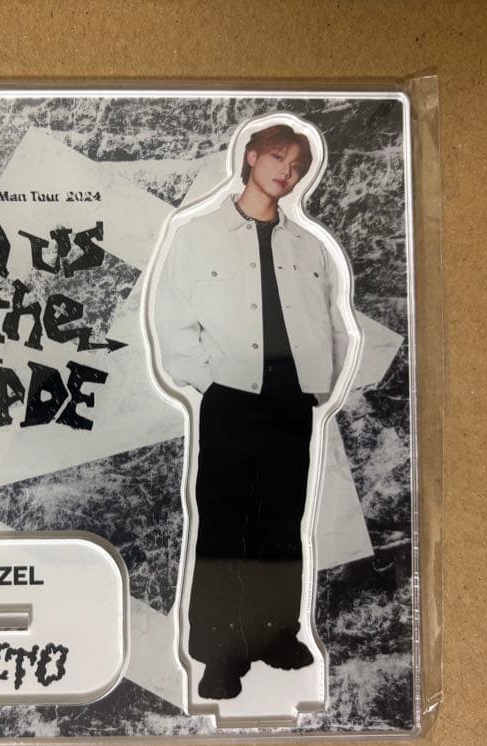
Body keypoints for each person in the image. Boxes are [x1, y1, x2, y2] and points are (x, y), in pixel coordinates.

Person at [152, 123, 349, 700]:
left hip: (292, 401)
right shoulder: (198, 234)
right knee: (225, 525)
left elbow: (332, 322)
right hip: (232, 400)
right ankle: (219, 653)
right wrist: (211, 381)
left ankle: (276, 634)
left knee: (282, 521)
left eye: (297, 165)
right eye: (278, 157)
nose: (287, 171)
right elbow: (172, 317)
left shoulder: (308, 246)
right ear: (252, 156)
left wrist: (319, 383)